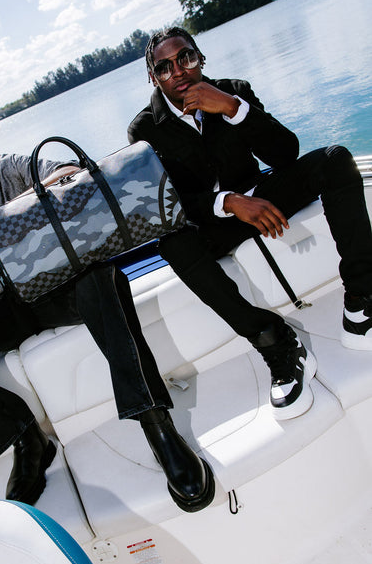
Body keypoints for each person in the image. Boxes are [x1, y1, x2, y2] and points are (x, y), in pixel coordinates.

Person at [0, 103, 215, 514]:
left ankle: (157, 424)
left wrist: (2, 219)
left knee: (102, 275)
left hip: (54, 289)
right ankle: (26, 439)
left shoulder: (6, 170)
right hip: (0, 315)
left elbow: (70, 171)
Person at [128, 26, 372, 421]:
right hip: (215, 220)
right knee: (172, 244)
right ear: (153, 78)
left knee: (335, 159)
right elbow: (169, 204)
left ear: (200, 57)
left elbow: (286, 153)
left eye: (186, 57)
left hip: (265, 196)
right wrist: (228, 202)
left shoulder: (233, 91)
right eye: (165, 67)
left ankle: (361, 304)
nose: (179, 71)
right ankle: (277, 345)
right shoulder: (144, 131)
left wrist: (231, 108)